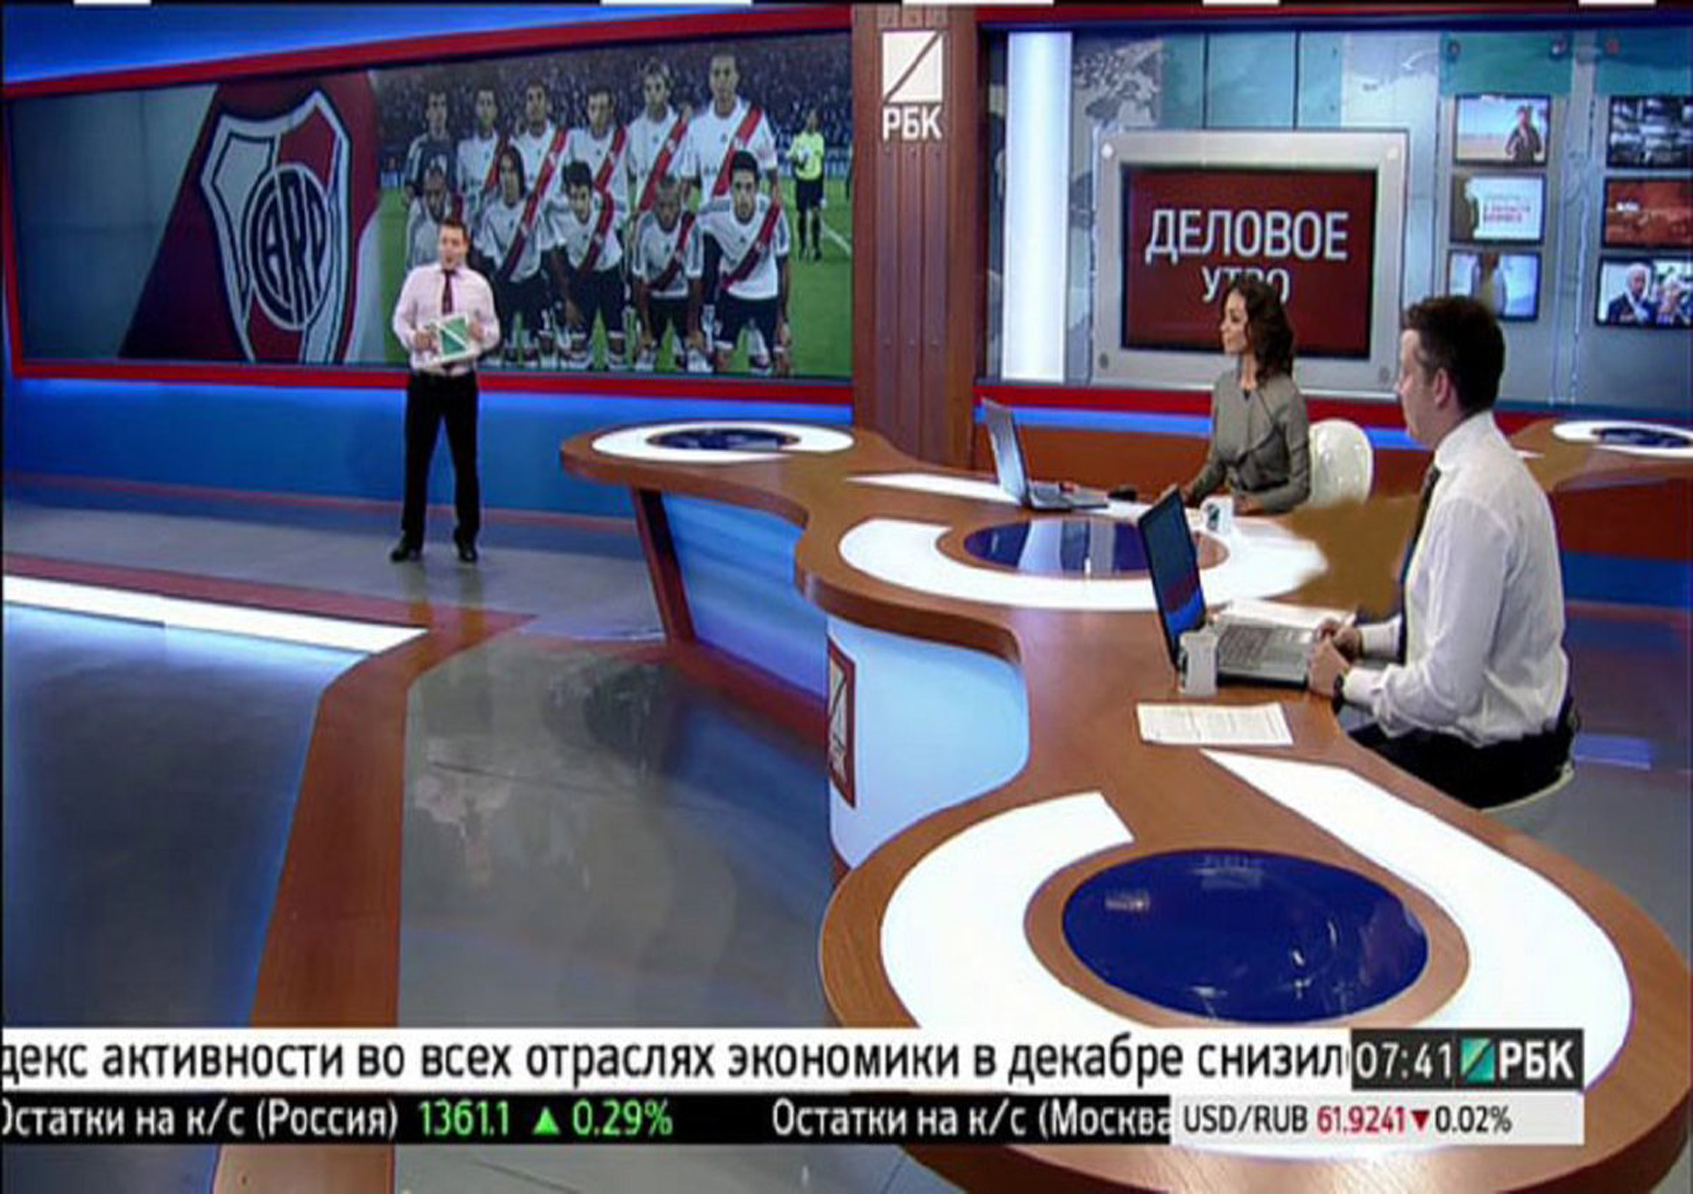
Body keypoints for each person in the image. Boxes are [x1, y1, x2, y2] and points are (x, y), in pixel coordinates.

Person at [1307, 296, 1575, 809]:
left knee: (1318, 788)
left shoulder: (1472, 502)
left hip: (1490, 758)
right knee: (1320, 756)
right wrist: (1362, 640)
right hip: (1479, 734)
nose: (1397, 389)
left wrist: (1344, 681)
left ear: (1441, 386)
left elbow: (1447, 689)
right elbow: (1442, 622)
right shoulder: (1478, 469)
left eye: (1406, 374)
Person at [389, 217, 500, 564]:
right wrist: (413, 338)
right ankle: (412, 537)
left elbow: (494, 329)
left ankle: (467, 537)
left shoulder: (479, 286)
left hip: (462, 384)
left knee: (465, 463)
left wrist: (483, 336)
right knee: (416, 461)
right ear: (437, 245)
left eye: (455, 243)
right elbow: (399, 319)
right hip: (425, 382)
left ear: (465, 247)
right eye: (444, 242)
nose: (448, 249)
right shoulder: (418, 280)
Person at [1181, 276, 1310, 514]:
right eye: (1224, 318)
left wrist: (1254, 504)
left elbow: (1300, 487)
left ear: (1258, 328)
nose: (1223, 327)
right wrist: (1188, 492)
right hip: (1233, 518)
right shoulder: (1224, 388)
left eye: (1234, 319)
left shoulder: (1288, 398)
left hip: (1273, 522)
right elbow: (1216, 466)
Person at [696, 150, 791, 376]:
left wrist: (784, 318)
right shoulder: (714, 212)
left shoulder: (773, 215)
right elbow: (688, 228)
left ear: (758, 188)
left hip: (766, 291)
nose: (743, 195)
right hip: (733, 292)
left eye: (749, 187)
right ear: (730, 188)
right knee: (720, 360)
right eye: (738, 187)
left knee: (782, 363)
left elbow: (784, 266)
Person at [475, 146, 549, 369]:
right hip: (504, 286)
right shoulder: (490, 213)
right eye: (503, 171)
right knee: (498, 355)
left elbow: (547, 250)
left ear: (521, 174)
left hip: (531, 285)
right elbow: (484, 259)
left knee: (532, 355)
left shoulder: (534, 209)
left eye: (512, 171)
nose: (507, 178)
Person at [552, 160, 627, 370]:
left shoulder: (609, 206)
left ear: (591, 192)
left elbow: (629, 230)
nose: (578, 205)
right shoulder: (558, 213)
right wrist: (567, 299)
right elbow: (556, 256)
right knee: (578, 349)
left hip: (610, 274)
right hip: (581, 277)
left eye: (583, 197)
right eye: (573, 197)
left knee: (617, 346)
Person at [630, 177, 706, 372]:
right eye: (661, 206)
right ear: (654, 204)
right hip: (654, 298)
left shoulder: (692, 228)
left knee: (698, 362)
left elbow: (695, 283)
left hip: (683, 298)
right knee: (643, 363)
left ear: (680, 204)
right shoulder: (644, 226)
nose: (666, 213)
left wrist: (693, 329)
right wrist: (645, 330)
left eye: (671, 206)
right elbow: (638, 281)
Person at [626, 60, 695, 226]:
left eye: (658, 88)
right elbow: (632, 174)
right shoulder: (633, 131)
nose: (652, 94)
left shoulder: (682, 130)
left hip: (674, 219)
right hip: (644, 221)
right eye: (648, 88)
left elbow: (687, 179)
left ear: (667, 91)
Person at [456, 80, 506, 232]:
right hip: (470, 229)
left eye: (489, 104)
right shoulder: (464, 149)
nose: (485, 109)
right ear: (475, 109)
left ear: (495, 111)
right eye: (481, 103)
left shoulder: (505, 148)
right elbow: (459, 193)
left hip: (497, 230)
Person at [403, 84, 456, 207]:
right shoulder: (418, 146)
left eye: (443, 105)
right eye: (435, 105)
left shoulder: (457, 146)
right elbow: (408, 193)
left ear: (447, 111)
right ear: (427, 113)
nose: (439, 111)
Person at [403, 164, 463, 271]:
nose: (432, 201)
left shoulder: (456, 212)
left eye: (437, 193)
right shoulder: (417, 218)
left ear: (445, 191)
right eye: (428, 194)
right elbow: (410, 264)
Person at [789, 108, 827, 261]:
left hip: (815, 180)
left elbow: (821, 162)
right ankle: (803, 247)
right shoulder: (799, 139)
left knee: (816, 214)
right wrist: (798, 162)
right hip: (802, 180)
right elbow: (792, 158)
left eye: (813, 118)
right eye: (809, 118)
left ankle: (816, 248)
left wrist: (822, 190)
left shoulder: (819, 139)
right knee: (802, 215)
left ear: (817, 122)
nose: (811, 121)